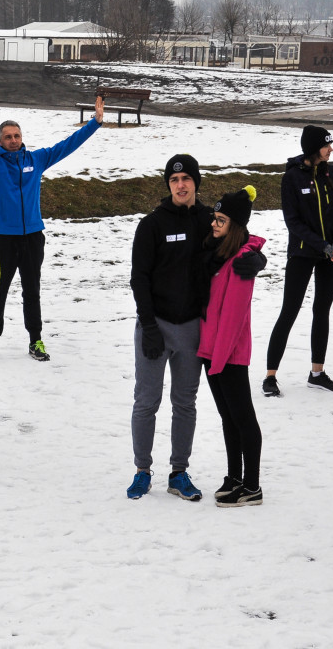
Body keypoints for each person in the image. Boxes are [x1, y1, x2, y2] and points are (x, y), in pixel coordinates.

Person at [0, 97, 104, 361]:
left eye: (16, 135)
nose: (13, 140)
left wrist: (94, 123)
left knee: (32, 291)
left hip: (32, 238)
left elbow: (67, 146)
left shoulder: (37, 159)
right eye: (8, 137)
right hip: (3, 239)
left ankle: (35, 340)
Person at [127, 155, 211, 502]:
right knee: (146, 401)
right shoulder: (152, 225)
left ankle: (179, 472)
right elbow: (139, 278)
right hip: (156, 326)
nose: (181, 185)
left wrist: (255, 258)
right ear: (168, 185)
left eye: (187, 178)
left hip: (192, 327)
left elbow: (238, 245)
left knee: (185, 403)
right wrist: (148, 326)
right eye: (175, 180)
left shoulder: (209, 221)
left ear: (195, 183)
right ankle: (142, 471)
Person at [263, 125, 333, 397]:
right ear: (314, 148)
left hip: (330, 255)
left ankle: (317, 373)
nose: (331, 149)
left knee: (321, 311)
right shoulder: (292, 178)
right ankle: (270, 376)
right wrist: (321, 244)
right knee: (289, 310)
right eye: (327, 145)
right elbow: (293, 222)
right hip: (302, 253)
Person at [198, 186, 266, 508]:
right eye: (215, 217)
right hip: (212, 352)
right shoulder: (217, 252)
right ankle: (234, 476)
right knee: (228, 418)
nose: (214, 224)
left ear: (235, 226)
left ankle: (252, 486)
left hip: (229, 355)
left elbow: (233, 317)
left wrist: (219, 360)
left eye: (221, 220)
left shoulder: (241, 262)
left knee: (243, 419)